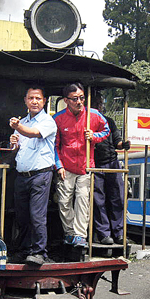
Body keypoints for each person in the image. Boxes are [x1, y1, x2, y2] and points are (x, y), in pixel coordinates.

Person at [54, 83, 110, 248]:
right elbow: (54, 145)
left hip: (86, 167)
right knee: (64, 202)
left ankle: (79, 236)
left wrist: (94, 136)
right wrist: (59, 165)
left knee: (83, 201)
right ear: (66, 100)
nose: (79, 102)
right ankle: (70, 233)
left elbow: (106, 131)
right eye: (74, 99)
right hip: (66, 167)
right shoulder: (58, 118)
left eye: (82, 98)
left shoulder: (94, 115)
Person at [9, 86, 57, 266]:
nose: (34, 101)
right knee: (22, 216)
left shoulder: (48, 121)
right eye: (31, 98)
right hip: (22, 175)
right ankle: (23, 250)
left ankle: (39, 252)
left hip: (40, 175)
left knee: (37, 215)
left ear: (44, 101)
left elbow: (34, 133)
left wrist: (17, 127)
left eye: (38, 98)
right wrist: (13, 142)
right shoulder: (23, 122)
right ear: (25, 101)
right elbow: (16, 148)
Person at [90, 94, 130, 245]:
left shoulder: (109, 121)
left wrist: (123, 145)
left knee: (117, 198)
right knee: (98, 201)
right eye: (96, 103)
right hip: (95, 164)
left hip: (112, 163)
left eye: (100, 104)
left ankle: (119, 233)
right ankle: (103, 234)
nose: (99, 106)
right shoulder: (86, 122)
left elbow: (117, 142)